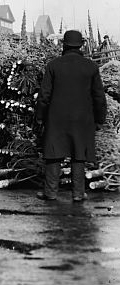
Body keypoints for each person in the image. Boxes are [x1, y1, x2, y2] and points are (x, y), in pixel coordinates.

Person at [34, 29, 107, 202]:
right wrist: (99, 119)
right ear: (81, 45)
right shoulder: (91, 66)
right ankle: (78, 193)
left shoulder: (53, 65)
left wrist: (39, 117)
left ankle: (50, 193)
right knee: (78, 153)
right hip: (82, 119)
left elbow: (44, 96)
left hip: (56, 118)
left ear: (64, 45)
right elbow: (99, 97)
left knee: (53, 153)